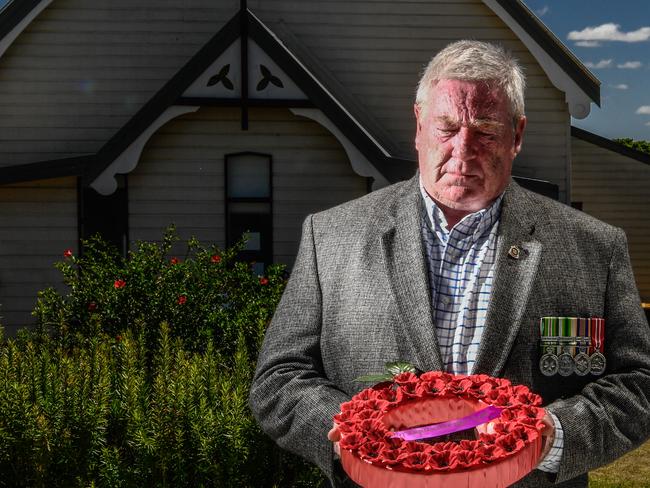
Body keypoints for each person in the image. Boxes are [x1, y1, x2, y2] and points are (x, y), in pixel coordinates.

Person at [249, 40, 650, 487]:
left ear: (517, 135)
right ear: (419, 126)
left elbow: (638, 383)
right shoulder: (331, 237)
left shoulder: (594, 247)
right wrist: (353, 435)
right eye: (446, 127)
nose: (463, 149)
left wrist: (552, 436)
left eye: (484, 131)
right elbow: (279, 378)